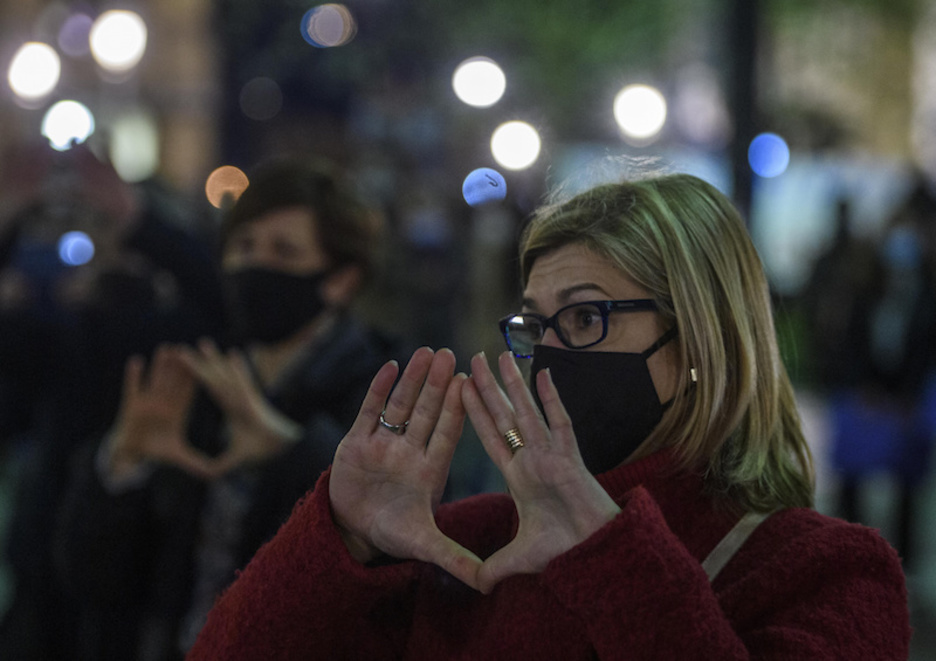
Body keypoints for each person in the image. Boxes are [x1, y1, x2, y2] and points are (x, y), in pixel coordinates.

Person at [188, 172, 910, 659]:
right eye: (538, 324)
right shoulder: (471, 545)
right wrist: (342, 536)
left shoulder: (823, 569)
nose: (553, 355)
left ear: (699, 339)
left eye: (587, 317)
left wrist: (611, 555)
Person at [53, 156, 396, 660]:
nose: (255, 266)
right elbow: (95, 576)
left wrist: (289, 450)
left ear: (340, 280)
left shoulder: (385, 390)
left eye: (284, 251)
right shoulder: (197, 372)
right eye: (244, 246)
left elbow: (389, 578)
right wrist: (121, 468)